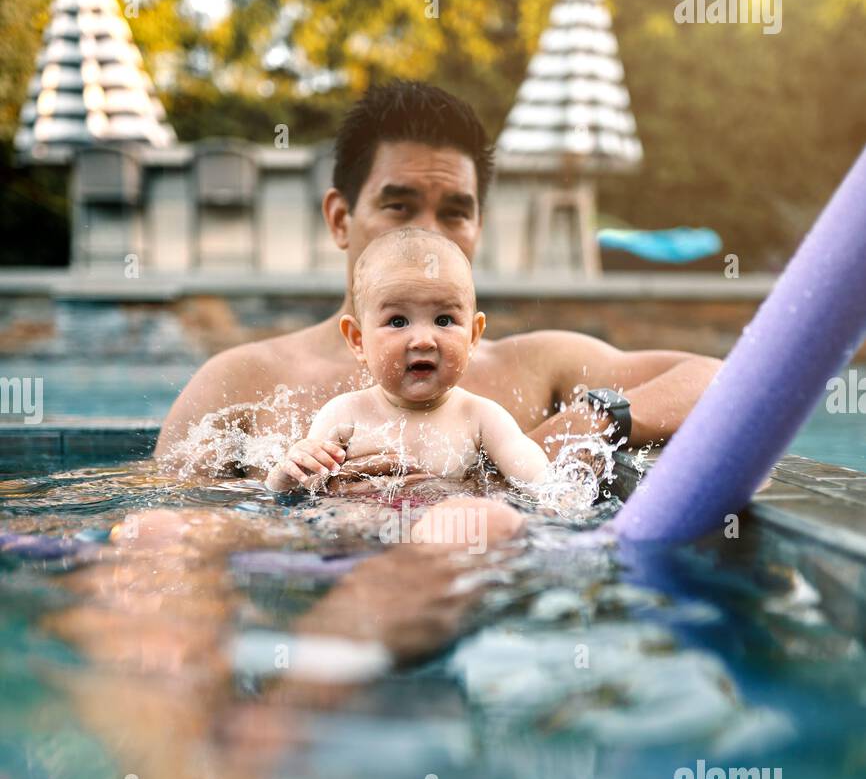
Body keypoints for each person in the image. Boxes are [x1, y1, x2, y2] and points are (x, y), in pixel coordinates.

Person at [155, 80, 720, 477]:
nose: (431, 236)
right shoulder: (242, 383)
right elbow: (162, 533)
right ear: (339, 218)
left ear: (479, 225)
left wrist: (592, 421)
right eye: (399, 206)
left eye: (455, 212)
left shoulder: (537, 367)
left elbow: (719, 378)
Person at [265, 228, 553, 497]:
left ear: (473, 336)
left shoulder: (481, 418)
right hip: (359, 544)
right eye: (398, 321)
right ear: (357, 339)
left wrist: (557, 497)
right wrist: (285, 475)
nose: (423, 340)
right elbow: (298, 492)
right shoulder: (344, 415)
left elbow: (542, 484)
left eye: (444, 320)